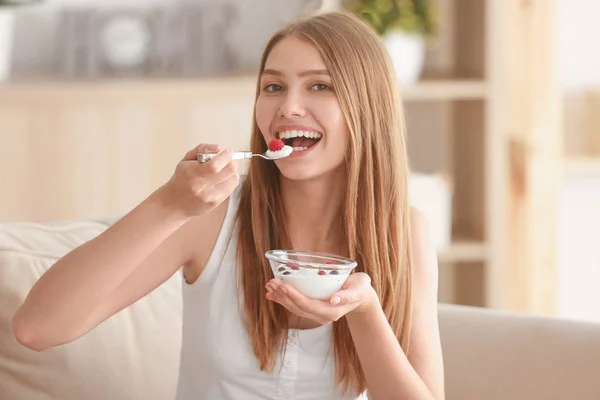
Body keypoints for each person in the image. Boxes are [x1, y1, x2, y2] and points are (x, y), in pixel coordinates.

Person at [12, 10, 444, 400]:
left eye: (320, 86)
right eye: (273, 86)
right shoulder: (212, 217)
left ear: (367, 108)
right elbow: (37, 328)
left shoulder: (403, 232)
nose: (288, 107)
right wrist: (169, 204)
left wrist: (365, 312)